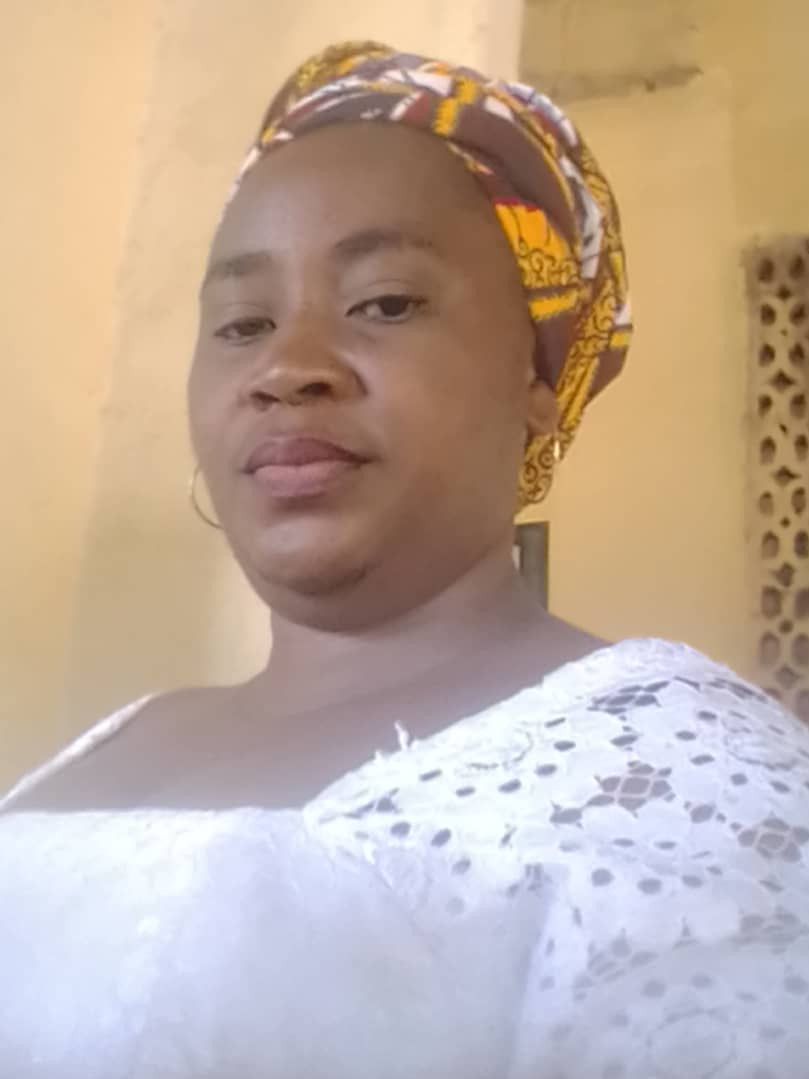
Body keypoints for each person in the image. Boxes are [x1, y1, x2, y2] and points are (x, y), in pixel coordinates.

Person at [1, 41, 807, 1078]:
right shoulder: (120, 735)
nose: (285, 368)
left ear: (535, 373)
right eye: (241, 323)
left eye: (384, 303)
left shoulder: (688, 779)